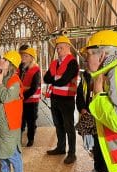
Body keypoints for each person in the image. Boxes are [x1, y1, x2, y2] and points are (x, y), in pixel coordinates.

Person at [83, 30, 117, 172]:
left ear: (102, 55)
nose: (86, 60)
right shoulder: (113, 73)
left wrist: (99, 95)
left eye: (88, 55)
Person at [44, 35, 79, 164]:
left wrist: (56, 79)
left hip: (67, 99)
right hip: (55, 98)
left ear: (68, 47)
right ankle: (61, 147)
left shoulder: (72, 62)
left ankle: (72, 153)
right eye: (57, 48)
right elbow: (46, 79)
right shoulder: (54, 63)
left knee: (69, 126)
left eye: (61, 48)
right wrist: (57, 79)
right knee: (58, 125)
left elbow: (65, 80)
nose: (58, 50)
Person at [76, 69, 109, 172]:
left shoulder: (107, 73)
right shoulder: (85, 75)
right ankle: (98, 168)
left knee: (102, 145)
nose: (86, 59)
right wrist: (82, 108)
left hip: (102, 115)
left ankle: (105, 171)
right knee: (95, 145)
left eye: (89, 55)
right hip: (90, 114)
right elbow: (80, 93)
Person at [20, 47, 41, 147]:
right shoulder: (21, 67)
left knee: (31, 121)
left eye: (26, 56)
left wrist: (23, 96)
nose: (23, 57)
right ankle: (19, 136)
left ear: (31, 58)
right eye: (22, 55)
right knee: (21, 119)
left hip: (31, 100)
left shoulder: (35, 70)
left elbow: (34, 88)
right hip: (22, 98)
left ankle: (30, 139)